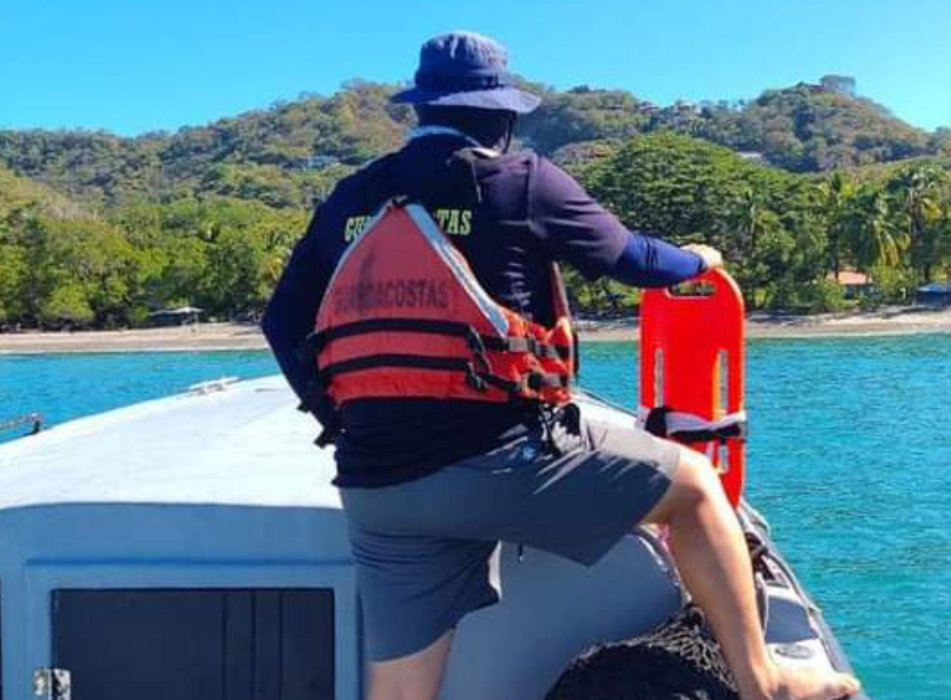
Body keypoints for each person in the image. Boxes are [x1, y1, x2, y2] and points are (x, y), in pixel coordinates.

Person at [263, 31, 861, 700]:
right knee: (693, 486)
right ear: (504, 115)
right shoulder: (519, 181)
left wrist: (341, 418)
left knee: (400, 694)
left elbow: (281, 323)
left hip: (378, 489)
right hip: (498, 466)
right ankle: (766, 681)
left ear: (420, 109)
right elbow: (634, 260)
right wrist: (699, 259)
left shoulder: (352, 197)